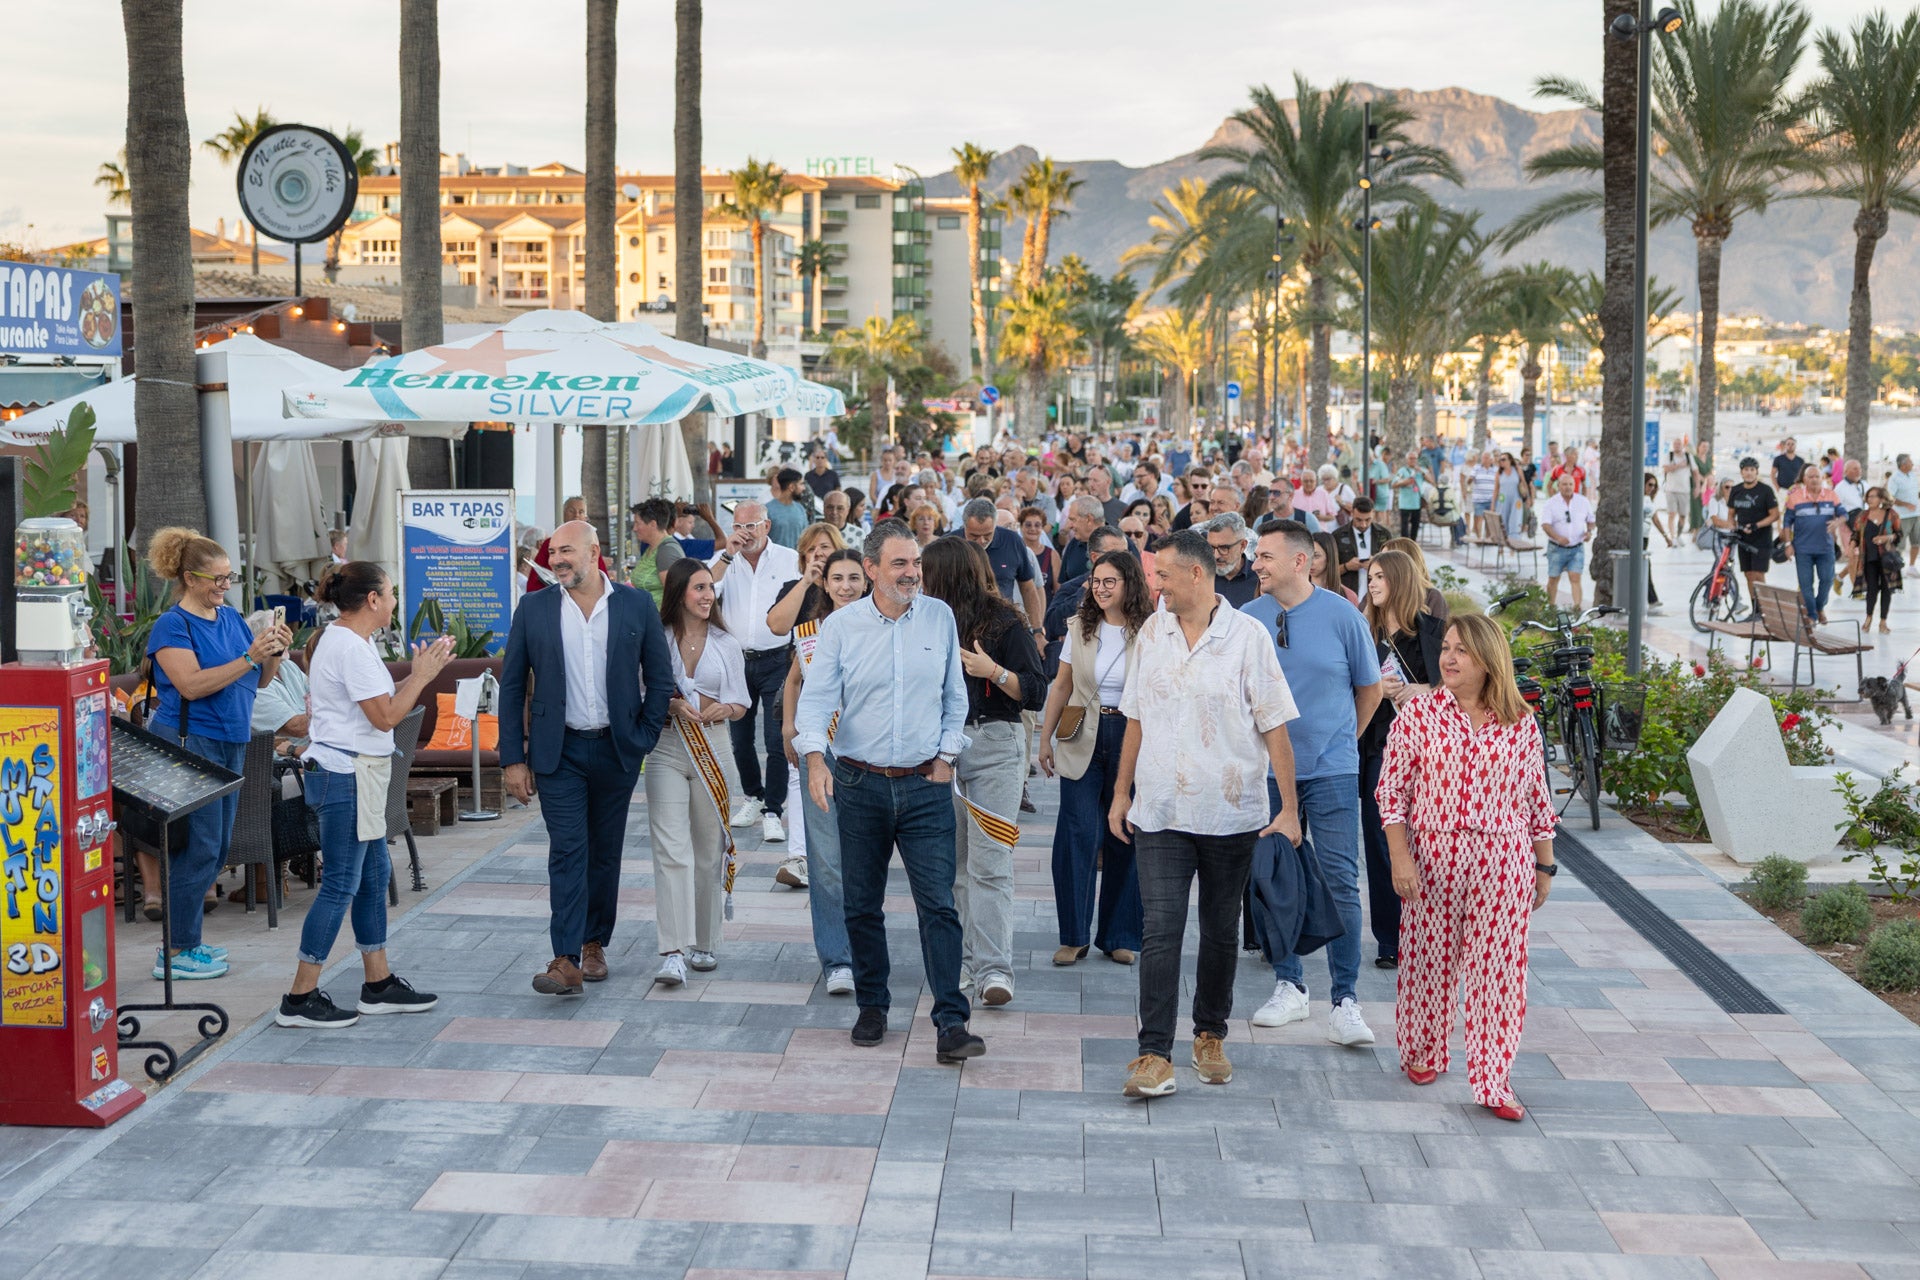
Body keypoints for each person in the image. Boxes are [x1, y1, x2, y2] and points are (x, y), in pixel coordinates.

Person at [1110, 529, 1301, 1098]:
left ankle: (1210, 1033)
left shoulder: (1248, 637)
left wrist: (1289, 808)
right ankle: (1153, 1054)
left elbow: (1274, 724)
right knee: (1161, 930)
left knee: (1220, 931)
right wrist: (1122, 794)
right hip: (1161, 807)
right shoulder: (1152, 631)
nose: (1156, 585)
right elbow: (1136, 718)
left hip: (1231, 812)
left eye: (1163, 574)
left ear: (1196, 573)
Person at [794, 520, 987, 1065]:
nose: (912, 573)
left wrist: (948, 756)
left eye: (916, 563)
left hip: (926, 784)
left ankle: (951, 1021)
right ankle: (872, 1006)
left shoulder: (939, 616)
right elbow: (816, 700)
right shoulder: (841, 627)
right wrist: (813, 757)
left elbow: (956, 695)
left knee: (939, 907)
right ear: (872, 569)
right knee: (861, 905)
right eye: (900, 564)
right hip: (858, 782)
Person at [1380, 613, 1557, 1122]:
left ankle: (1493, 1080)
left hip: (1503, 862)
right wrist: (1400, 857)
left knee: (1499, 975)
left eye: (1462, 651)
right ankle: (1424, 1051)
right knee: (1427, 964)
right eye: (1447, 649)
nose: (1448, 658)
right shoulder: (1419, 715)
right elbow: (1392, 794)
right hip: (1432, 860)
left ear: (1488, 659)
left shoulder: (1519, 721)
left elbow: (1535, 799)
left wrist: (1544, 868)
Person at [500, 520, 675, 994]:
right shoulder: (534, 608)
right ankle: (565, 958)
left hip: (618, 748)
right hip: (560, 752)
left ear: (594, 552)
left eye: (567, 551)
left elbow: (660, 678)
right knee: (568, 850)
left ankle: (595, 941)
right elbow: (512, 685)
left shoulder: (635, 604)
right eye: (553, 552)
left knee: (604, 852)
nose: (557, 560)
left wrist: (642, 735)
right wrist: (513, 758)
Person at [274, 564, 451, 1028]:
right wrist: (423, 675)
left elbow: (376, 704)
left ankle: (378, 984)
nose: (395, 601)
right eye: (391, 593)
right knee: (340, 885)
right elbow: (387, 716)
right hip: (345, 775)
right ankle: (299, 997)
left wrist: (413, 677)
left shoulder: (350, 641)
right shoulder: (349, 646)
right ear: (372, 599)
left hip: (355, 772)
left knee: (373, 875)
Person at [1243, 522, 1384, 1045]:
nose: (1256, 564)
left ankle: (1345, 999)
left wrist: (1343, 738)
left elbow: (1368, 689)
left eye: (1266, 556)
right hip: (1267, 773)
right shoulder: (1247, 619)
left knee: (1341, 879)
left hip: (1331, 770)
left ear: (1301, 562)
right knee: (1277, 880)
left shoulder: (1343, 615)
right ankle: (1290, 985)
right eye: (1256, 555)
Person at [144, 527, 294, 980]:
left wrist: (272, 653)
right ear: (189, 578)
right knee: (204, 845)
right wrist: (250, 657)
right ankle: (174, 951)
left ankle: (187, 943)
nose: (225, 586)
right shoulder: (173, 625)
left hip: (232, 740)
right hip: (193, 745)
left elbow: (259, 683)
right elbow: (190, 685)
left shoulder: (228, 618)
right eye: (217, 579)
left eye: (230, 577)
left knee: (217, 845)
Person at [920, 538, 1045, 1007]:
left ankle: (996, 970)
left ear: (948, 574)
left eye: (925, 570)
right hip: (938, 751)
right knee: (951, 865)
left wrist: (993, 671)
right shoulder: (923, 620)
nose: (918, 578)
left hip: (994, 742)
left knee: (990, 862)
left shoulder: (1004, 619)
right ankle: (965, 964)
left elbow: (1035, 690)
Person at [1038, 550, 1149, 968]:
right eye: (1096, 581)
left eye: (1110, 581)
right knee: (1077, 834)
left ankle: (1119, 934)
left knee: (1125, 833)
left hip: (1133, 737)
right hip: (1083, 734)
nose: (1100, 589)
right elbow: (1061, 686)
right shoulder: (1080, 626)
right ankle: (1074, 935)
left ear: (1129, 584)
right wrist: (1045, 740)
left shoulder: (1152, 629)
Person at [648, 559, 749, 987]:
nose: (708, 595)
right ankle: (672, 950)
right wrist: (670, 703)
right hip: (667, 746)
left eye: (711, 588)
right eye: (699, 588)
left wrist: (726, 709)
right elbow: (641, 689)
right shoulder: (657, 638)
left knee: (709, 849)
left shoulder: (727, 642)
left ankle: (705, 941)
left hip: (714, 744)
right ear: (679, 594)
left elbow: (742, 703)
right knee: (671, 849)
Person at [780, 548, 868, 995]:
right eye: (838, 578)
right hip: (824, 755)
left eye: (854, 577)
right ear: (826, 583)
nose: (847, 586)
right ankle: (837, 958)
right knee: (827, 861)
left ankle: (866, 948)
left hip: (870, 757)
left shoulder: (880, 628)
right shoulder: (811, 631)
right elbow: (794, 680)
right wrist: (787, 728)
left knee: (863, 863)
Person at [1359, 549, 1447, 969]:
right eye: (1370, 577)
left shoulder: (1434, 632)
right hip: (1379, 747)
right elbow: (1349, 688)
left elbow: (1464, 688)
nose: (1372, 584)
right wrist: (1377, 687)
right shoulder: (1365, 634)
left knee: (1427, 841)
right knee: (1380, 842)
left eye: (1379, 577)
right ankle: (1390, 938)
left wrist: (1425, 692)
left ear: (1399, 580)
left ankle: (1429, 931)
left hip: (1431, 755)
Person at [708, 501, 802, 842]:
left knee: (777, 737)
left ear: (767, 526)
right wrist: (727, 555)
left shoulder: (789, 558)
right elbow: (705, 587)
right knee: (739, 739)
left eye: (751, 526)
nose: (744, 533)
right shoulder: (725, 560)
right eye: (738, 526)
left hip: (778, 658)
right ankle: (753, 795)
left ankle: (773, 809)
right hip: (736, 659)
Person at [959, 497, 1047, 631]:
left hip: (1003, 628)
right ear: (964, 526)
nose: (981, 541)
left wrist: (1037, 630)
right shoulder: (950, 546)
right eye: (974, 536)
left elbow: (1028, 588)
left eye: (988, 535)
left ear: (995, 525)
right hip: (962, 628)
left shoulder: (1012, 541)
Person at [1781, 464, 1842, 624]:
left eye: (1817, 476)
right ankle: (1813, 616)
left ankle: (1819, 606)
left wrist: (1838, 522)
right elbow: (1787, 522)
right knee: (1805, 584)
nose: (1814, 479)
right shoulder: (1795, 497)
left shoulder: (1831, 495)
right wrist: (1788, 544)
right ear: (1804, 479)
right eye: (1810, 477)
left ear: (1822, 479)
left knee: (1827, 580)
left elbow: (1844, 514)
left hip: (1826, 548)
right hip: (1802, 549)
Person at [525, 496, 608, 592]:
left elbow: (601, 576)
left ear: (585, 517)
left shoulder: (591, 545)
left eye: (581, 512)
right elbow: (534, 580)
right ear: (564, 514)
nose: (576, 515)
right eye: (571, 511)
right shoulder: (550, 544)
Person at [1540, 471, 1596, 610]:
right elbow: (1545, 525)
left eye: (1571, 484)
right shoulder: (1551, 503)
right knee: (1553, 578)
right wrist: (1558, 537)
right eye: (1564, 484)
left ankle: (1577, 607)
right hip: (1556, 548)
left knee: (1575, 577)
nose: (1568, 487)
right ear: (1558, 485)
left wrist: (1589, 532)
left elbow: (1591, 520)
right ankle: (1551, 606)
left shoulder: (1583, 501)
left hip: (1576, 547)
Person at [1728, 457, 1781, 601]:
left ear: (1757, 472)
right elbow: (1731, 514)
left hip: (1761, 539)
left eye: (1752, 470)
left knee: (1758, 574)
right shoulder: (1736, 490)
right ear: (1741, 472)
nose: (1749, 473)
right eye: (1746, 470)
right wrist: (1733, 526)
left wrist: (1757, 525)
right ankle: (1755, 610)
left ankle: (1764, 609)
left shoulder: (1766, 491)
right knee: (1748, 574)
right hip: (1743, 538)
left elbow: (1775, 515)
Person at [1855, 487, 1903, 632]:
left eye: (1873, 496)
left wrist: (1886, 538)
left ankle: (1883, 622)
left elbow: (1899, 534)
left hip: (1887, 558)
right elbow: (1856, 533)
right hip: (1869, 558)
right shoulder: (1863, 515)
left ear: (1882, 498)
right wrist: (1852, 545)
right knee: (1872, 589)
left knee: (1886, 590)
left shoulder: (1891, 515)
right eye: (1868, 497)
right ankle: (1868, 618)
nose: (1870, 499)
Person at [629, 498, 686, 611]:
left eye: (637, 523)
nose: (634, 529)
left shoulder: (667, 551)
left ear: (653, 524)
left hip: (660, 622)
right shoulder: (652, 547)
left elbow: (675, 595)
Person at [1206, 513, 1261, 608]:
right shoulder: (1201, 577)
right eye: (1211, 547)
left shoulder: (1260, 579)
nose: (1216, 555)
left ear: (1243, 545)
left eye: (1224, 548)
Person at [1331, 498, 1382, 596]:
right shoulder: (1337, 536)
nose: (1363, 525)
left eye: (1368, 520)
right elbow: (1328, 571)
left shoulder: (1384, 534)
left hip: (1376, 593)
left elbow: (1393, 569)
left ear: (1373, 514)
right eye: (1358, 520)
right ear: (1352, 513)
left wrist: (1377, 565)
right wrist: (1346, 567)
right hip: (1347, 594)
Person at [1642, 472, 1674, 612]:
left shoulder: (1649, 499)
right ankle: (1652, 598)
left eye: (1654, 486)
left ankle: (1651, 598)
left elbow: (1655, 519)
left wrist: (1665, 536)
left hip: (1645, 537)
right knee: (1645, 568)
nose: (1651, 488)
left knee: (1645, 567)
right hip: (1637, 537)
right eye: (1649, 485)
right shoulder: (1638, 497)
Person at [766, 467, 810, 548]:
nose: (804, 488)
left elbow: (807, 539)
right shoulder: (767, 510)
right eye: (801, 484)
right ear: (792, 487)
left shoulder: (800, 509)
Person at [1311, 531, 1359, 605]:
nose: (1310, 561)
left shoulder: (1348, 596)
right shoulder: (1296, 593)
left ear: (1329, 557)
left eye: (1316, 556)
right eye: (1308, 555)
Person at [1890, 453, 1920, 568]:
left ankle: (1912, 567)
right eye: (1910, 462)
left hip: (1916, 514)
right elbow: (1890, 497)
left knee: (1916, 543)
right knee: (1899, 545)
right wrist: (1905, 504)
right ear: (1903, 465)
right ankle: (1897, 567)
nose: (1912, 464)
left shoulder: (1912, 475)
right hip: (1902, 516)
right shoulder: (1895, 478)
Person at [1392, 455, 1425, 540]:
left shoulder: (1419, 471)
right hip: (1405, 503)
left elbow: (1432, 481)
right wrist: (1405, 482)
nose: (1413, 460)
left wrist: (1422, 472)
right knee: (1404, 526)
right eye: (1411, 458)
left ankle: (1413, 543)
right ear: (1407, 460)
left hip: (1416, 503)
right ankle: (1405, 543)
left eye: (1414, 458)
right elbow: (1394, 484)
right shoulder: (1402, 471)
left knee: (1415, 525)